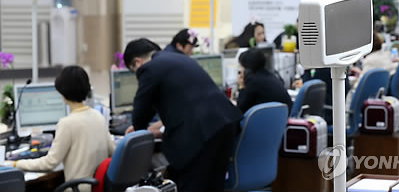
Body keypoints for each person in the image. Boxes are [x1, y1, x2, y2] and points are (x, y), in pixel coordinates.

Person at [123, 38, 242, 192]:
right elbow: (184, 99)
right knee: (213, 185)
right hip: (224, 122)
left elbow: (142, 105)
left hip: (201, 131)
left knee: (190, 184)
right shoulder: (177, 58)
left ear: (137, 62)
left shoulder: (149, 68)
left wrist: (139, 133)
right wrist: (156, 126)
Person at [12, 66, 115, 192]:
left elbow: (49, 163)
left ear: (62, 93)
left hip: (77, 189)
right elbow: (112, 151)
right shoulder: (98, 116)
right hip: (97, 186)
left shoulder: (67, 123)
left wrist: (16, 164)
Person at [236, 48, 292, 114]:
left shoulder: (253, 81)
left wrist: (241, 86)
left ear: (247, 68)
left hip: (264, 121)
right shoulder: (270, 75)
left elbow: (240, 109)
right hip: (281, 119)